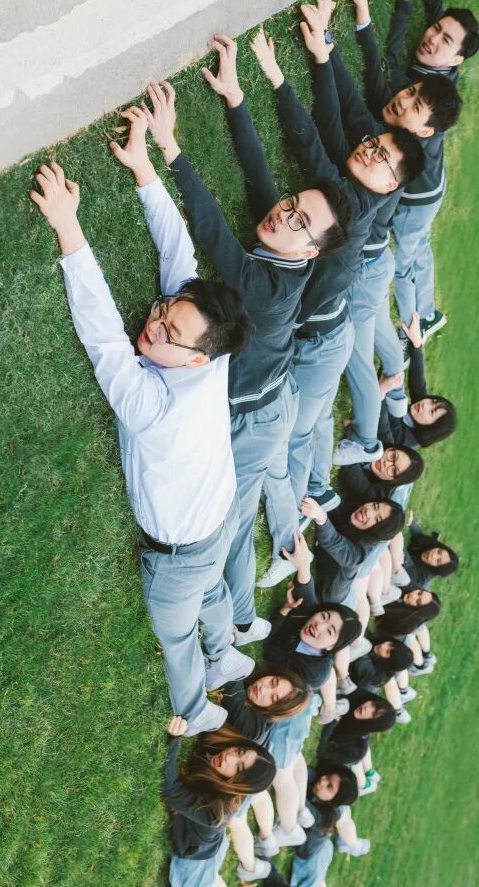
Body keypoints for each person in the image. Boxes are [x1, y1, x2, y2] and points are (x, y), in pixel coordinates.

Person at [29, 116, 254, 737]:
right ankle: (226, 647)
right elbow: (179, 257)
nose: (153, 325)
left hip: (183, 548)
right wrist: (143, 168)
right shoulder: (209, 347)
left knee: (176, 631)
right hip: (219, 512)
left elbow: (103, 336)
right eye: (163, 311)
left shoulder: (154, 409)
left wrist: (68, 225)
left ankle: (197, 707)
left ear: (198, 358)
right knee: (211, 592)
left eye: (169, 333)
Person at [143, 52, 351, 646]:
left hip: (256, 415)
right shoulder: (286, 242)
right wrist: (235, 97)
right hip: (272, 396)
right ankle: (254, 595)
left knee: (229, 522)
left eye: (298, 222)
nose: (283, 214)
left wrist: (170, 147)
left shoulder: (265, 287)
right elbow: (259, 173)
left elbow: (212, 232)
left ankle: (236, 622)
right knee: (249, 500)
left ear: (308, 251)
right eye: (292, 205)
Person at [250, 22, 423, 579]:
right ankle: (317, 496)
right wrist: (320, 58)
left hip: (323, 339)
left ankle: (290, 544)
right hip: (330, 332)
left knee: (289, 441)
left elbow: (312, 143)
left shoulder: (351, 208)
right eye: (373, 145)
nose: (368, 151)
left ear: (390, 184)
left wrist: (278, 76)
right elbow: (327, 129)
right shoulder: (354, 191)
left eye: (381, 157)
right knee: (307, 428)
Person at [305, 0, 458, 468]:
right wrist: (330, 41)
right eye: (409, 94)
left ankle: (368, 442)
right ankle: (403, 356)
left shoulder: (399, 163)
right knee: (376, 342)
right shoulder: (393, 137)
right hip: (377, 263)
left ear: (425, 130)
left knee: (354, 355)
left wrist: (327, 50)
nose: (402, 102)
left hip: (370, 267)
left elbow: (348, 114)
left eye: (414, 106)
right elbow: (363, 93)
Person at [383, 0, 479, 353]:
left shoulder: (423, 93)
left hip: (418, 197)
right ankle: (429, 312)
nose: (433, 39)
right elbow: (439, 7)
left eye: (445, 42)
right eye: (436, 30)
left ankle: (413, 329)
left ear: (456, 60)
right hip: (433, 186)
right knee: (419, 246)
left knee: (404, 262)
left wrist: (402, 1)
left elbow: (388, 62)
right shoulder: (444, 74)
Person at [261, 533, 361, 849]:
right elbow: (309, 598)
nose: (319, 625)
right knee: (294, 761)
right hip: (301, 708)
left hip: (291, 716)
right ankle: (301, 812)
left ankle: (289, 827)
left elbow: (271, 651)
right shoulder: (314, 620)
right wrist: (304, 566)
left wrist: (283, 613)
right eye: (325, 617)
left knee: (281, 774)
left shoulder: (314, 670)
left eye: (329, 631)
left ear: (331, 647)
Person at [218, 668, 312, 881]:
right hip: (252, 765)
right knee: (258, 797)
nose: (264, 689)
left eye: (273, 697)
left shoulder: (250, 723)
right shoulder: (259, 713)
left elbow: (228, 676)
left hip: (243, 775)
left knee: (237, 820)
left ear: (276, 709)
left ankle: (251, 868)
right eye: (273, 681)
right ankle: (268, 839)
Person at [163, 715, 276, 887]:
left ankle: (256, 869)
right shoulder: (223, 742)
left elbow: (169, 791)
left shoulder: (216, 812)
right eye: (239, 752)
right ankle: (256, 868)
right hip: (214, 840)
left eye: (238, 768)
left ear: (240, 784)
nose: (228, 758)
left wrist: (173, 739)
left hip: (197, 858)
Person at [301, 494, 405, 606]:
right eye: (375, 506)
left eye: (377, 520)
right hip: (351, 575)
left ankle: (383, 596)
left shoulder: (358, 555)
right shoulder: (353, 509)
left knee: (362, 598)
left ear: (378, 531)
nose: (368, 512)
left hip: (341, 600)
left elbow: (333, 541)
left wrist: (322, 518)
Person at [377, 312, 457, 450]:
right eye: (433, 401)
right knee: (396, 377)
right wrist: (417, 345)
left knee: (399, 401)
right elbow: (418, 385)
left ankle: (401, 349)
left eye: (432, 412)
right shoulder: (420, 411)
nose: (426, 404)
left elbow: (381, 421)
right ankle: (409, 337)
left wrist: (382, 392)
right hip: (381, 394)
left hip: (372, 410)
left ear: (431, 429)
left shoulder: (405, 442)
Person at [289, 764, 367, 885]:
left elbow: (296, 799)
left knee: (315, 877)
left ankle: (353, 844)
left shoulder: (320, 817)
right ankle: (351, 843)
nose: (323, 781)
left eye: (329, 786)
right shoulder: (321, 790)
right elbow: (302, 770)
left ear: (332, 801)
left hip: (308, 858)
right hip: (322, 845)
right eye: (328, 776)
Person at [402, 521, 460, 589]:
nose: (433, 555)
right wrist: (411, 523)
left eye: (438, 561)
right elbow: (419, 536)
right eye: (439, 551)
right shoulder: (432, 546)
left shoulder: (421, 578)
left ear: (438, 569)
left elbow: (402, 554)